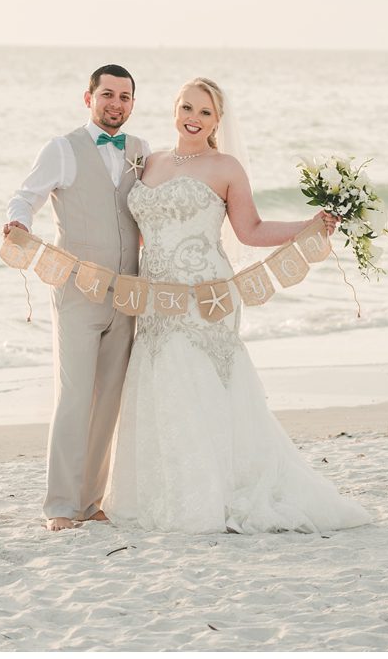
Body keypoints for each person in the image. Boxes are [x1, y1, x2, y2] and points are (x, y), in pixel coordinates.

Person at [105, 77, 371, 534]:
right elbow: (137, 229)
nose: (194, 118)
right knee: (161, 380)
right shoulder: (147, 162)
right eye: (187, 107)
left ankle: (211, 495)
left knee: (197, 380)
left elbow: (250, 230)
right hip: (155, 293)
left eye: (205, 113)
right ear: (174, 109)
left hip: (205, 289)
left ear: (217, 121)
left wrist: (307, 226)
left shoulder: (226, 167)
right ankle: (168, 492)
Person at [6, 65, 148, 532]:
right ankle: (61, 505)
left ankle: (91, 501)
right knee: (73, 398)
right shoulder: (62, 149)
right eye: (108, 94)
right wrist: (20, 223)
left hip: (127, 292)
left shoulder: (142, 153)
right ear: (87, 98)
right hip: (77, 292)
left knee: (108, 400)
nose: (116, 104)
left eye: (125, 97)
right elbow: (26, 196)